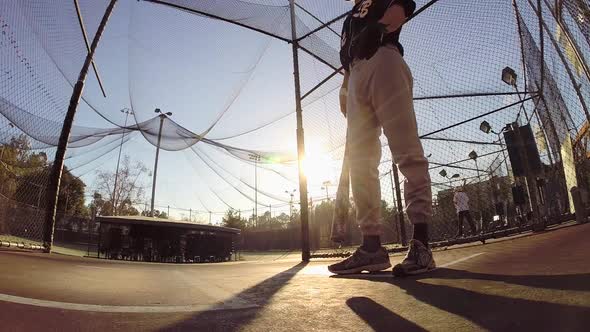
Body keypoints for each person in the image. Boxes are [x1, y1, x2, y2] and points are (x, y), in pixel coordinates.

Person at [328, 0, 435, 276]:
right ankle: (371, 247)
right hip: (356, 77)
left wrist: (380, 26)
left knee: (406, 150)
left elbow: (403, 7)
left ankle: (421, 244)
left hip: (384, 59)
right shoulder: (349, 18)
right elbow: (347, 63)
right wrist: (344, 88)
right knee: (360, 164)